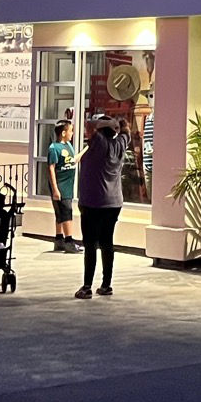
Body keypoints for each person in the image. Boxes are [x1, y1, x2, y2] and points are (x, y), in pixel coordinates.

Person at [75, 113, 129, 299]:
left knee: (90, 244)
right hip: (113, 203)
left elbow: (89, 125)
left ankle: (87, 286)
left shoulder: (98, 144)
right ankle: (106, 285)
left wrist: (103, 123)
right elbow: (126, 127)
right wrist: (116, 123)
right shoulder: (120, 144)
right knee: (107, 242)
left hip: (93, 202)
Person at [45, 119, 81, 253]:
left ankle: (59, 239)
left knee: (60, 213)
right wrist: (55, 188)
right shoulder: (54, 148)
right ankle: (69, 241)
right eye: (71, 131)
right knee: (66, 212)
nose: (72, 133)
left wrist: (86, 149)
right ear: (64, 132)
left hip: (68, 184)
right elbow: (51, 168)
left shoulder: (69, 146)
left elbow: (73, 160)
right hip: (60, 185)